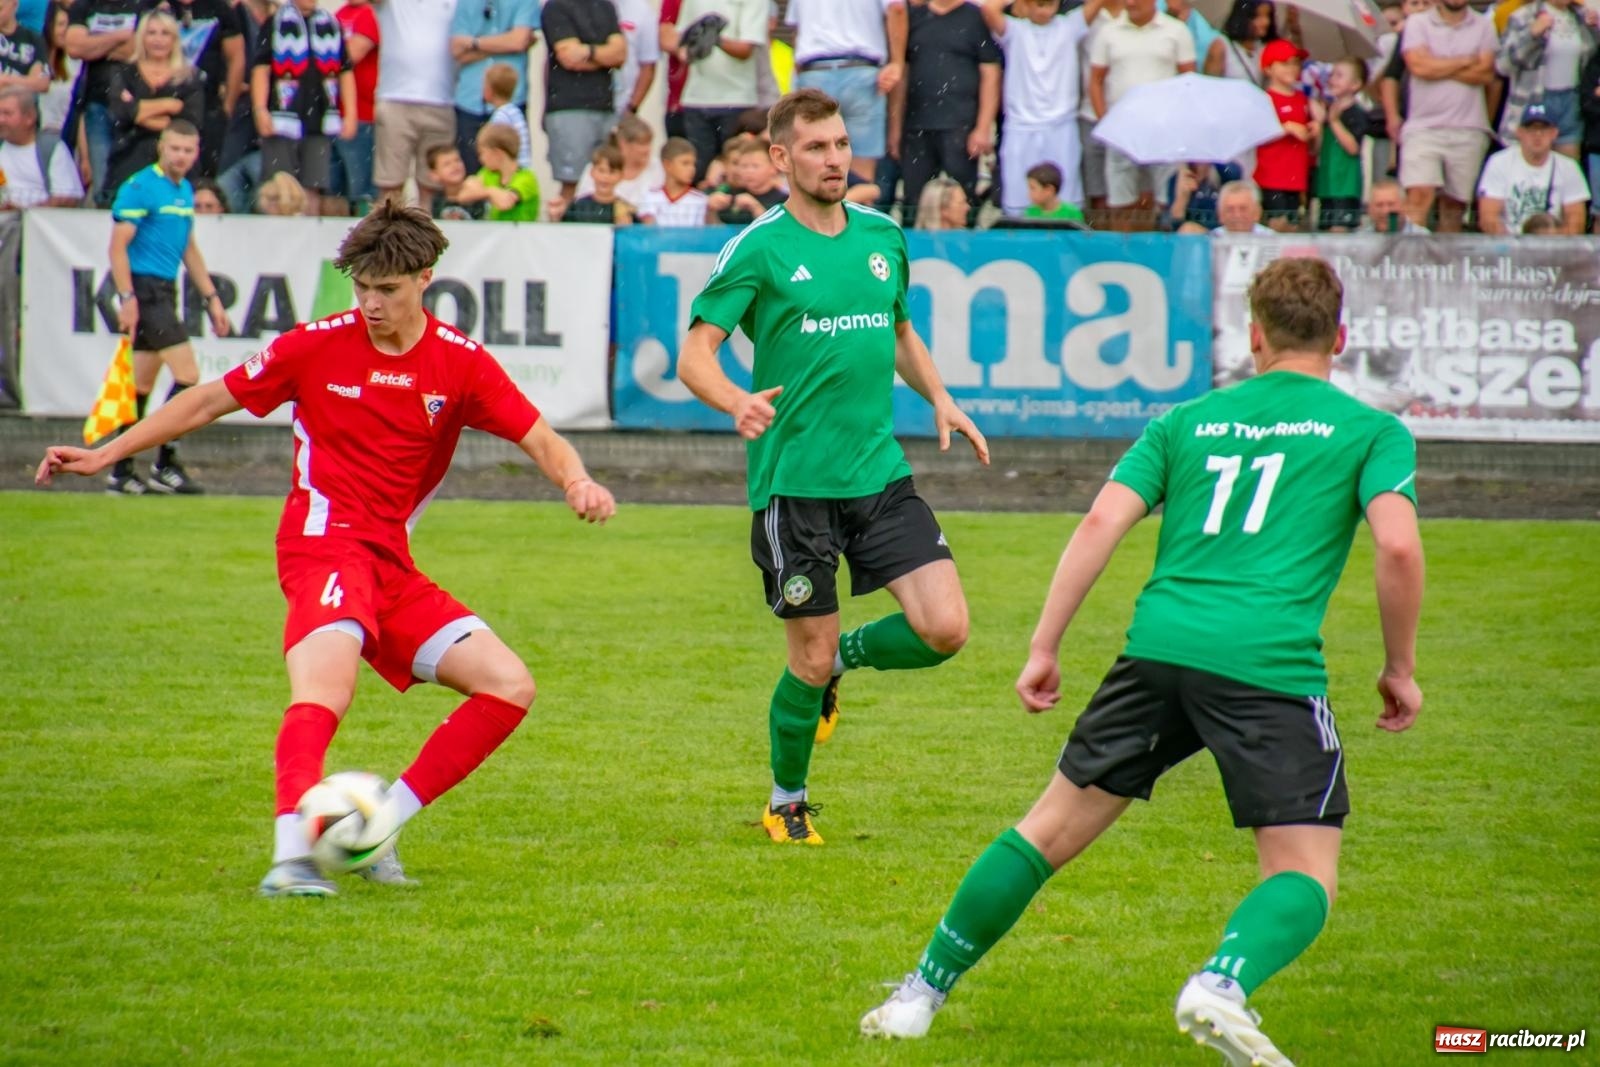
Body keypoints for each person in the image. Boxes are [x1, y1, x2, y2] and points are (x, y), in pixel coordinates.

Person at [858, 256, 1425, 1067]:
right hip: (1266, 665)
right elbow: (1398, 545)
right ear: (1340, 337)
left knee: (1044, 831)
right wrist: (1398, 665)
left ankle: (918, 994)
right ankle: (1222, 984)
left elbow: (1099, 523)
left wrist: (1045, 645)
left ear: (1253, 336)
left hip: (1156, 651)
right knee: (1304, 869)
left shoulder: (1186, 421)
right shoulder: (1372, 430)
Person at [36, 202, 618, 897]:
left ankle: (374, 828)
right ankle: (291, 858)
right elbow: (205, 400)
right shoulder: (315, 344)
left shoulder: (459, 362)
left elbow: (539, 437)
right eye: (361, 286)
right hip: (322, 544)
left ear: (425, 279)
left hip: (389, 563)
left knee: (509, 685)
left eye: (388, 290)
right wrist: (107, 454)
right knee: (326, 690)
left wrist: (576, 478)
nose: (371, 303)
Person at [677, 88, 989, 846]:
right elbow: (695, 354)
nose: (835, 159)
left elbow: (900, 330)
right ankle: (787, 799)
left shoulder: (884, 236)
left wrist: (941, 397)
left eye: (842, 144)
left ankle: (850, 655)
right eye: (816, 147)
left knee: (945, 628)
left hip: (878, 474)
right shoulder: (759, 247)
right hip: (795, 488)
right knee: (805, 661)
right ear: (781, 158)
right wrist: (734, 400)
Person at [105, 119, 232, 494]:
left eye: (188, 150)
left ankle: (121, 470)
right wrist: (127, 298)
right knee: (189, 376)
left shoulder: (185, 190)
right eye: (175, 148)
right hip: (145, 291)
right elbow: (117, 248)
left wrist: (212, 299)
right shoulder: (141, 187)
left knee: (140, 386)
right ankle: (165, 462)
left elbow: (188, 248)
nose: (181, 156)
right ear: (161, 146)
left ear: (196, 153)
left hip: (164, 289)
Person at [980, 0, 1104, 216]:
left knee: (1065, 198)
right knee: (1019, 200)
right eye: (1038, 4)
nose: (1044, 10)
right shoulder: (1015, 30)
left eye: (1050, 4)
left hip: (1061, 127)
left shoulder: (1070, 26)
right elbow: (989, 8)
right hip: (1021, 127)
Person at [1089, 0, 1196, 229]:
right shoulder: (1107, 32)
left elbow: (1190, 81)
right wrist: (1104, 122)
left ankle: (1160, 251)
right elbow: (1096, 80)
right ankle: (1122, 254)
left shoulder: (1177, 31)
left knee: (1165, 198)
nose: (1131, 2)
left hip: (1165, 129)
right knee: (1119, 199)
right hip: (1121, 129)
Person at [896, 0, 999, 227]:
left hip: (961, 126)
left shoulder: (974, 17)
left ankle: (965, 255)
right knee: (913, 200)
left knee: (964, 200)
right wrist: (894, 130)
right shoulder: (915, 16)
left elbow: (990, 71)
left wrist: (983, 127)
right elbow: (902, 71)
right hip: (917, 125)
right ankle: (912, 256)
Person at [1398, 0, 1497, 231]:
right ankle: (1410, 259)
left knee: (1455, 205)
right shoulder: (1417, 22)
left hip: (1469, 126)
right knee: (1418, 195)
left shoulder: (1484, 26)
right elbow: (1419, 67)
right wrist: (1465, 60)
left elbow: (1485, 73)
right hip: (1423, 126)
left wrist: (1436, 64)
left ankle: (1446, 265)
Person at [251, 0, 355, 216]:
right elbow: (261, 68)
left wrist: (351, 114)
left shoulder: (330, 24)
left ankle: (307, 237)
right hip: (282, 116)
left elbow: (345, 71)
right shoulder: (276, 23)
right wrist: (260, 109)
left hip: (320, 118)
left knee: (314, 183)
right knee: (279, 183)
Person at [785, 0, 906, 185]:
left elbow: (796, 29)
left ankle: (818, 212)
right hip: (862, 72)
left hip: (814, 72)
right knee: (861, 173)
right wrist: (897, 62)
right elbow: (897, 9)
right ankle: (854, 210)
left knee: (811, 167)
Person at [104, 9, 207, 200]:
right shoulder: (124, 72)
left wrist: (139, 111)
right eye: (151, 33)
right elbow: (120, 113)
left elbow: (190, 123)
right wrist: (169, 105)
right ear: (142, 37)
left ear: (174, 39)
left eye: (165, 33)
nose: (158, 39)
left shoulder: (190, 76)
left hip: (176, 161)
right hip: (130, 153)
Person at [371, 0, 459, 209]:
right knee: (391, 185)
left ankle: (425, 239)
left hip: (441, 101)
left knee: (431, 186)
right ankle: (388, 238)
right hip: (395, 99)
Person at [667, 0, 767, 182]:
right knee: (699, 174)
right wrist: (691, 50)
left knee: (737, 172)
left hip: (737, 101)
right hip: (695, 100)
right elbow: (682, 43)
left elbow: (746, 50)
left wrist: (716, 39)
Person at [541, 0, 626, 200]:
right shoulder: (556, 7)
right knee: (573, 183)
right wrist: (604, 56)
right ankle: (565, 228)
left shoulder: (606, 6)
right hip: (568, 107)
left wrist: (587, 52)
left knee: (607, 182)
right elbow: (569, 57)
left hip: (605, 108)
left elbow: (620, 54)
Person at [64, 0, 141, 205]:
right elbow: (73, 47)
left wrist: (95, 46)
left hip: (136, 105)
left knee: (135, 181)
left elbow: (139, 50)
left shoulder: (144, 4)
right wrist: (121, 37)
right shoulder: (84, 5)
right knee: (102, 185)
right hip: (97, 103)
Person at [1495, 0, 1596, 154]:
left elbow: (1591, 61)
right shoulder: (1523, 16)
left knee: (1567, 170)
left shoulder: (1582, 16)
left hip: (1571, 101)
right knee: (1530, 165)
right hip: (1536, 99)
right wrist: (1531, 35)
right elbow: (1503, 65)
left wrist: (1595, 29)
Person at [447, 0, 537, 172]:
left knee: (511, 171)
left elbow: (518, 41)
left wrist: (473, 43)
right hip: (470, 104)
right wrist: (504, 42)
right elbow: (457, 51)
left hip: (512, 101)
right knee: (471, 173)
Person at [1477, 101, 1590, 234]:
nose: (1537, 135)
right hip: (1509, 244)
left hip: (1552, 244)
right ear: (1519, 132)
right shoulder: (1499, 162)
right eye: (1531, 129)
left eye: (1543, 129)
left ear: (1554, 133)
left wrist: (1552, 242)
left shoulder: (1569, 168)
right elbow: (1488, 217)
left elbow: (1576, 220)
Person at [0, 82, 84, 207]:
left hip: (36, 222)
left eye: (7, 114)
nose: (1, 120)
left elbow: (68, 198)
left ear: (30, 117)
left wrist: (23, 211)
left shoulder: (51, 148)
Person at [1315, 56, 1374, 230]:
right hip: (1327, 183)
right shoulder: (1327, 110)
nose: (1332, 80)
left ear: (1355, 84)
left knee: (1340, 229)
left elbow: (1353, 147)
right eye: (1332, 75)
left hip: (1345, 184)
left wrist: (1334, 122)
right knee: (1325, 228)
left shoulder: (1356, 113)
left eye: (1339, 76)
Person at [333, 0, 378, 208]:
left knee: (362, 190)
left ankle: (366, 236)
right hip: (335, 116)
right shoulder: (341, 13)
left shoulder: (370, 13)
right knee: (335, 191)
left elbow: (349, 55)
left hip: (363, 116)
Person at [459, 120, 540, 220]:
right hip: (497, 233)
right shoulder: (488, 173)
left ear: (497, 153)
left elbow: (505, 203)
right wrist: (490, 192)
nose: (480, 159)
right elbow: (463, 194)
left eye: (482, 153)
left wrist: (487, 191)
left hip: (523, 234)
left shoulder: (526, 177)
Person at [574, 113, 663, 203]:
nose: (647, 149)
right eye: (641, 144)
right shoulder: (598, 167)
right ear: (623, 143)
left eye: (649, 143)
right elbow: (582, 201)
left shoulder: (658, 167)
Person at [706, 132, 784, 222]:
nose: (748, 172)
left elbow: (779, 232)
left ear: (773, 168)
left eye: (755, 166)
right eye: (744, 166)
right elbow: (718, 232)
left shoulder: (783, 200)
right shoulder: (729, 196)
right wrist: (711, 210)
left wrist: (756, 208)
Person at [550, 140, 635, 221]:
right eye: (601, 171)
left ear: (621, 176)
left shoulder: (627, 210)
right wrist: (555, 218)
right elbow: (564, 232)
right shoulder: (578, 207)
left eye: (612, 172)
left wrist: (626, 227)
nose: (605, 177)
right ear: (592, 172)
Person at [636, 133, 708, 224]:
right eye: (685, 163)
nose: (692, 169)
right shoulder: (650, 197)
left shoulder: (700, 200)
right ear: (667, 165)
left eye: (693, 164)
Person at [482, 62, 532, 168]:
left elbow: (498, 146)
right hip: (524, 166)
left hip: (511, 170)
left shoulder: (500, 117)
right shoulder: (516, 112)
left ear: (489, 91)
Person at [423, 141, 484, 219]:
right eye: (447, 164)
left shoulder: (475, 186)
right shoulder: (437, 200)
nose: (454, 166)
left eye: (457, 160)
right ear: (434, 175)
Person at [1359, 174, 1429, 231]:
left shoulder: (1423, 240)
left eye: (1391, 204)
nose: (1385, 211)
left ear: (1404, 206)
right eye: (1379, 205)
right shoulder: (1360, 241)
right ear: (1369, 209)